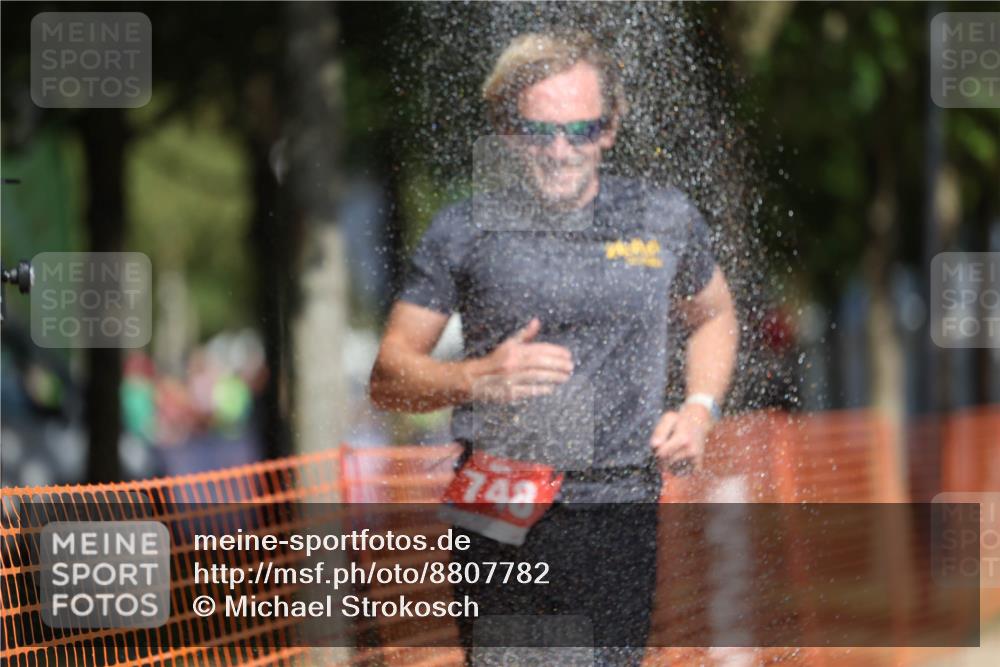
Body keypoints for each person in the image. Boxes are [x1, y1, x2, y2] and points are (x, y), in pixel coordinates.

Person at [370, 31, 738, 666]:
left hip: (618, 503)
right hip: (500, 502)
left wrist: (700, 407)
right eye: (540, 131)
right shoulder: (465, 228)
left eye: (583, 129)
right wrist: (479, 377)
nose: (563, 150)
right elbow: (388, 377)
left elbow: (714, 314)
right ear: (507, 131)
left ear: (611, 128)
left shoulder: (660, 218)